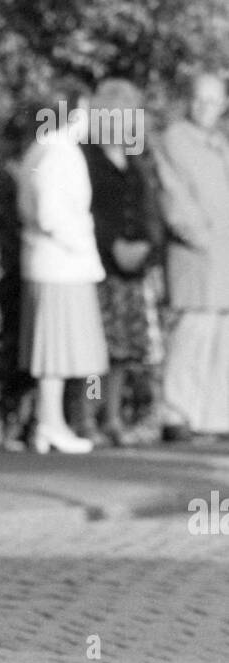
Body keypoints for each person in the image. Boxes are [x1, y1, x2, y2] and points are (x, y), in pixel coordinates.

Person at [17, 85, 108, 453]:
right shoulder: (58, 151)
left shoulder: (46, 148)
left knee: (55, 353)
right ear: (75, 112)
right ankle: (50, 424)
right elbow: (51, 214)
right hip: (61, 264)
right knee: (55, 353)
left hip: (56, 263)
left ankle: (50, 423)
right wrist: (83, 247)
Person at [81, 78, 164, 445]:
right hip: (100, 265)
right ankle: (86, 418)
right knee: (93, 349)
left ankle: (112, 417)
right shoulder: (87, 157)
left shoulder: (136, 161)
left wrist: (148, 250)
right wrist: (112, 245)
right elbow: (86, 209)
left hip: (134, 268)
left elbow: (149, 211)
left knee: (123, 353)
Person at [153, 71, 229, 439]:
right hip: (197, 254)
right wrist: (201, 236)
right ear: (189, 100)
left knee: (223, 336)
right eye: (200, 99)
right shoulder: (175, 140)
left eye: (213, 101)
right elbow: (173, 197)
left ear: (223, 106)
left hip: (225, 256)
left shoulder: (221, 144)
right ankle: (176, 413)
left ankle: (215, 417)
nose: (205, 107)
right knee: (193, 332)